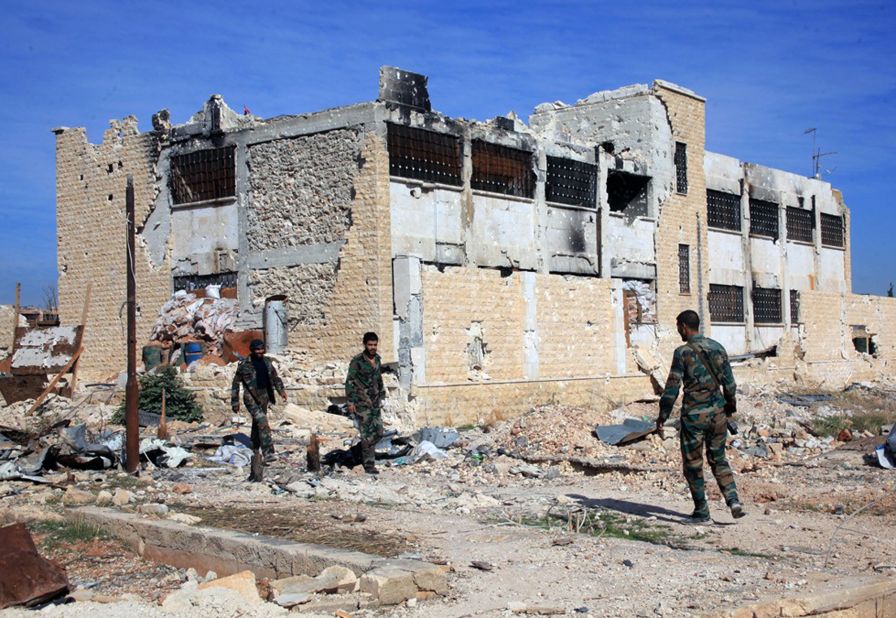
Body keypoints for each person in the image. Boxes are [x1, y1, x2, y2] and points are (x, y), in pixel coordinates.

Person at [656, 310, 746, 523]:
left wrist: (662, 415)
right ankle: (733, 499)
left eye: (679, 327)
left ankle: (701, 512)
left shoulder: (682, 353)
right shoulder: (718, 348)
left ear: (684, 327)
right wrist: (729, 410)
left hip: (694, 418)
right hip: (718, 415)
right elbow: (730, 385)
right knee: (718, 458)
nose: (678, 331)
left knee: (693, 463)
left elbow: (672, 388)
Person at [231, 339, 287, 464]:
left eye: (262, 349)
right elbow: (235, 384)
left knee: (258, 424)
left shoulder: (267, 362)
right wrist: (235, 402)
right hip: (251, 398)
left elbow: (275, 377)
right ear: (252, 350)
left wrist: (281, 391)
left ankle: (254, 446)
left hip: (265, 397)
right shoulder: (244, 365)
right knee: (263, 423)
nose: (260, 352)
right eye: (257, 349)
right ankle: (268, 453)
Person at [345, 332, 385, 474]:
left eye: (375, 345)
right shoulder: (357, 361)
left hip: (374, 403)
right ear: (365, 344)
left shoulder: (378, 360)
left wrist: (382, 394)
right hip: (362, 403)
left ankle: (359, 450)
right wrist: (350, 401)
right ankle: (369, 465)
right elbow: (349, 381)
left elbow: (378, 378)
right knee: (367, 434)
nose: (372, 347)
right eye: (370, 345)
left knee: (379, 432)